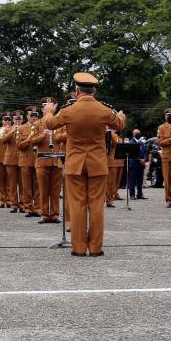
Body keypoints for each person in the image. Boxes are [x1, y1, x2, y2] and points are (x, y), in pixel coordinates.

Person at [42, 72, 125, 256]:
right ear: (94, 91)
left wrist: (48, 111)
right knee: (96, 206)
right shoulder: (103, 110)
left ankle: (78, 248)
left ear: (77, 90)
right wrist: (121, 116)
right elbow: (119, 125)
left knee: (77, 205)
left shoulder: (69, 110)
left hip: (75, 163)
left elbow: (51, 124)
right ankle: (95, 248)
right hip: (97, 163)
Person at [32, 97, 66, 223]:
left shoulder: (59, 123)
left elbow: (66, 136)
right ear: (43, 109)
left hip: (56, 160)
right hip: (42, 161)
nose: (49, 108)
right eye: (46, 106)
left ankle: (55, 214)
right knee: (43, 189)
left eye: (51, 106)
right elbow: (31, 141)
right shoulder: (37, 124)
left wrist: (56, 136)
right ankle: (45, 214)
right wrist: (43, 136)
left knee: (56, 190)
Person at [17, 107, 40, 217]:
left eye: (36, 115)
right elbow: (19, 146)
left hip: (39, 159)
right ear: (27, 116)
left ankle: (38, 208)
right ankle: (29, 208)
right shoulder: (21, 128)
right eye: (31, 115)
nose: (34, 117)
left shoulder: (41, 127)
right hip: (25, 160)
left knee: (38, 186)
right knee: (26, 186)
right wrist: (29, 138)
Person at [0, 110, 23, 213]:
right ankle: (14, 204)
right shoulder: (7, 129)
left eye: (19, 119)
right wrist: (12, 131)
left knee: (23, 184)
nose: (17, 120)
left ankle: (23, 204)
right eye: (15, 119)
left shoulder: (26, 128)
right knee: (12, 184)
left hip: (23, 158)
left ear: (22, 119)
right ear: (12, 120)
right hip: (10, 159)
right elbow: (3, 141)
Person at [127, 129, 147, 199]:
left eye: (139, 133)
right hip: (134, 164)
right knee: (132, 181)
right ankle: (132, 195)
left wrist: (144, 159)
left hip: (141, 165)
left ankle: (140, 194)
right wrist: (139, 160)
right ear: (133, 134)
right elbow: (131, 154)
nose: (138, 134)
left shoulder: (142, 143)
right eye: (136, 133)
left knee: (140, 181)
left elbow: (145, 152)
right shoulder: (131, 143)